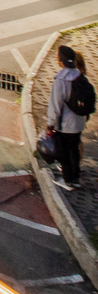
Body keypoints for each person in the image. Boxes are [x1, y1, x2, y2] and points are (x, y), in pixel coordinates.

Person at [47, 43, 92, 189]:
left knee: (64, 153)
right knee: (74, 150)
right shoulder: (79, 76)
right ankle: (76, 178)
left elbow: (55, 106)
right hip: (78, 123)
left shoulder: (61, 80)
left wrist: (50, 124)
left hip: (65, 124)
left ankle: (68, 181)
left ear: (61, 61)